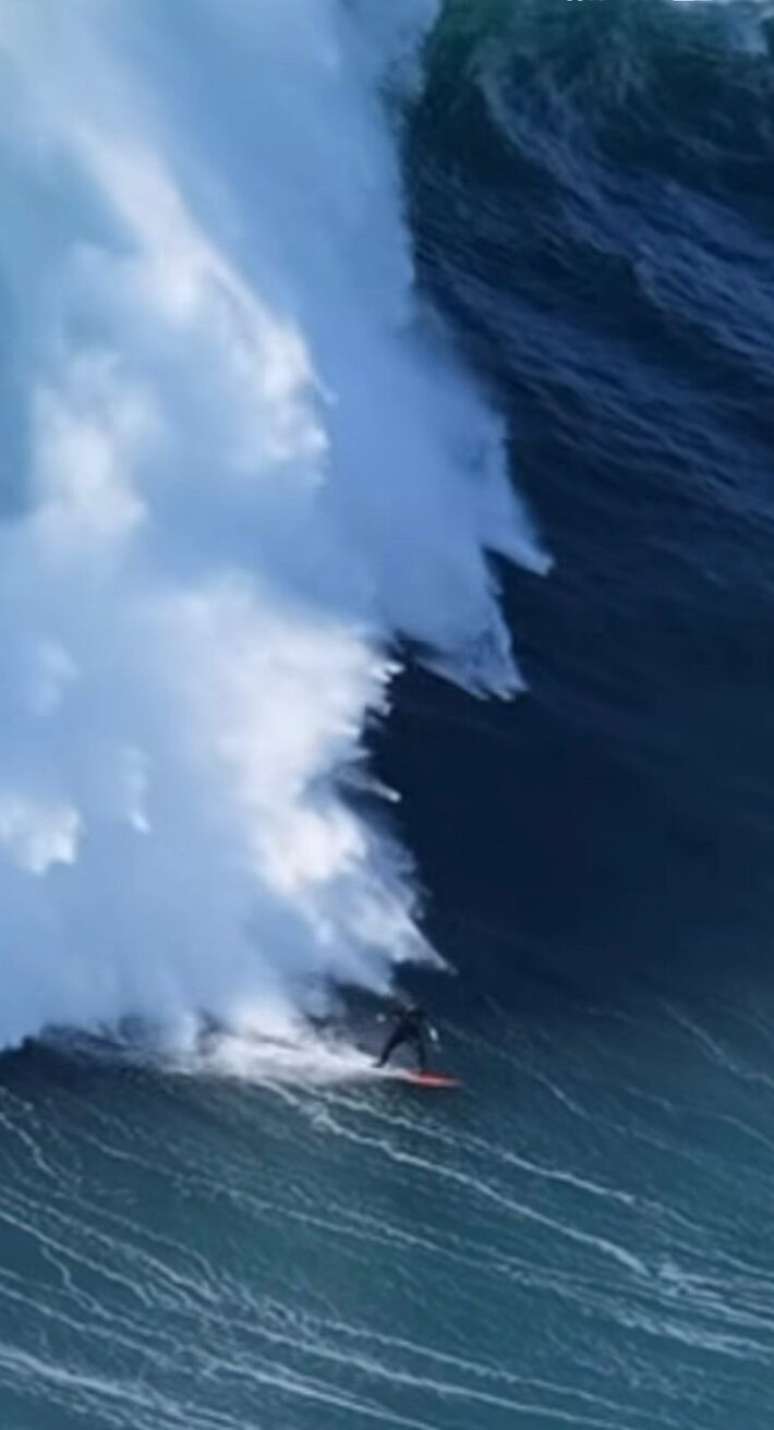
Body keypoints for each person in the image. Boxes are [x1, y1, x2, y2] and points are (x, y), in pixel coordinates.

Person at [374, 1002, 438, 1072]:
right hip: (400, 1032)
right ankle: (382, 1062)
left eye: (416, 1018)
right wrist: (383, 1017)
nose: (414, 1020)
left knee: (420, 1049)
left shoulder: (421, 1015)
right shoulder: (403, 1012)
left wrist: (435, 1040)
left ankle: (421, 1068)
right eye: (412, 1017)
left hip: (413, 1033)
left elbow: (430, 1028)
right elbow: (391, 1013)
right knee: (388, 1046)